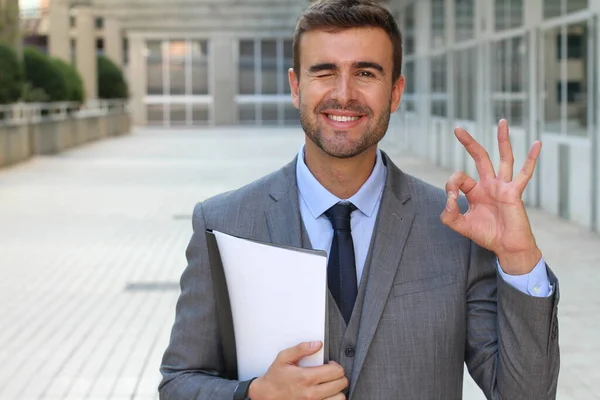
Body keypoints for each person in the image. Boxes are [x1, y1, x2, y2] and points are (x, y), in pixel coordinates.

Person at [158, 0, 560, 399]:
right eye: (325, 71)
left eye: (365, 73)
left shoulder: (453, 228)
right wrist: (254, 395)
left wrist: (519, 257)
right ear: (296, 87)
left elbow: (525, 395)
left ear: (396, 92)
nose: (344, 94)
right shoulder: (223, 221)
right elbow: (178, 383)